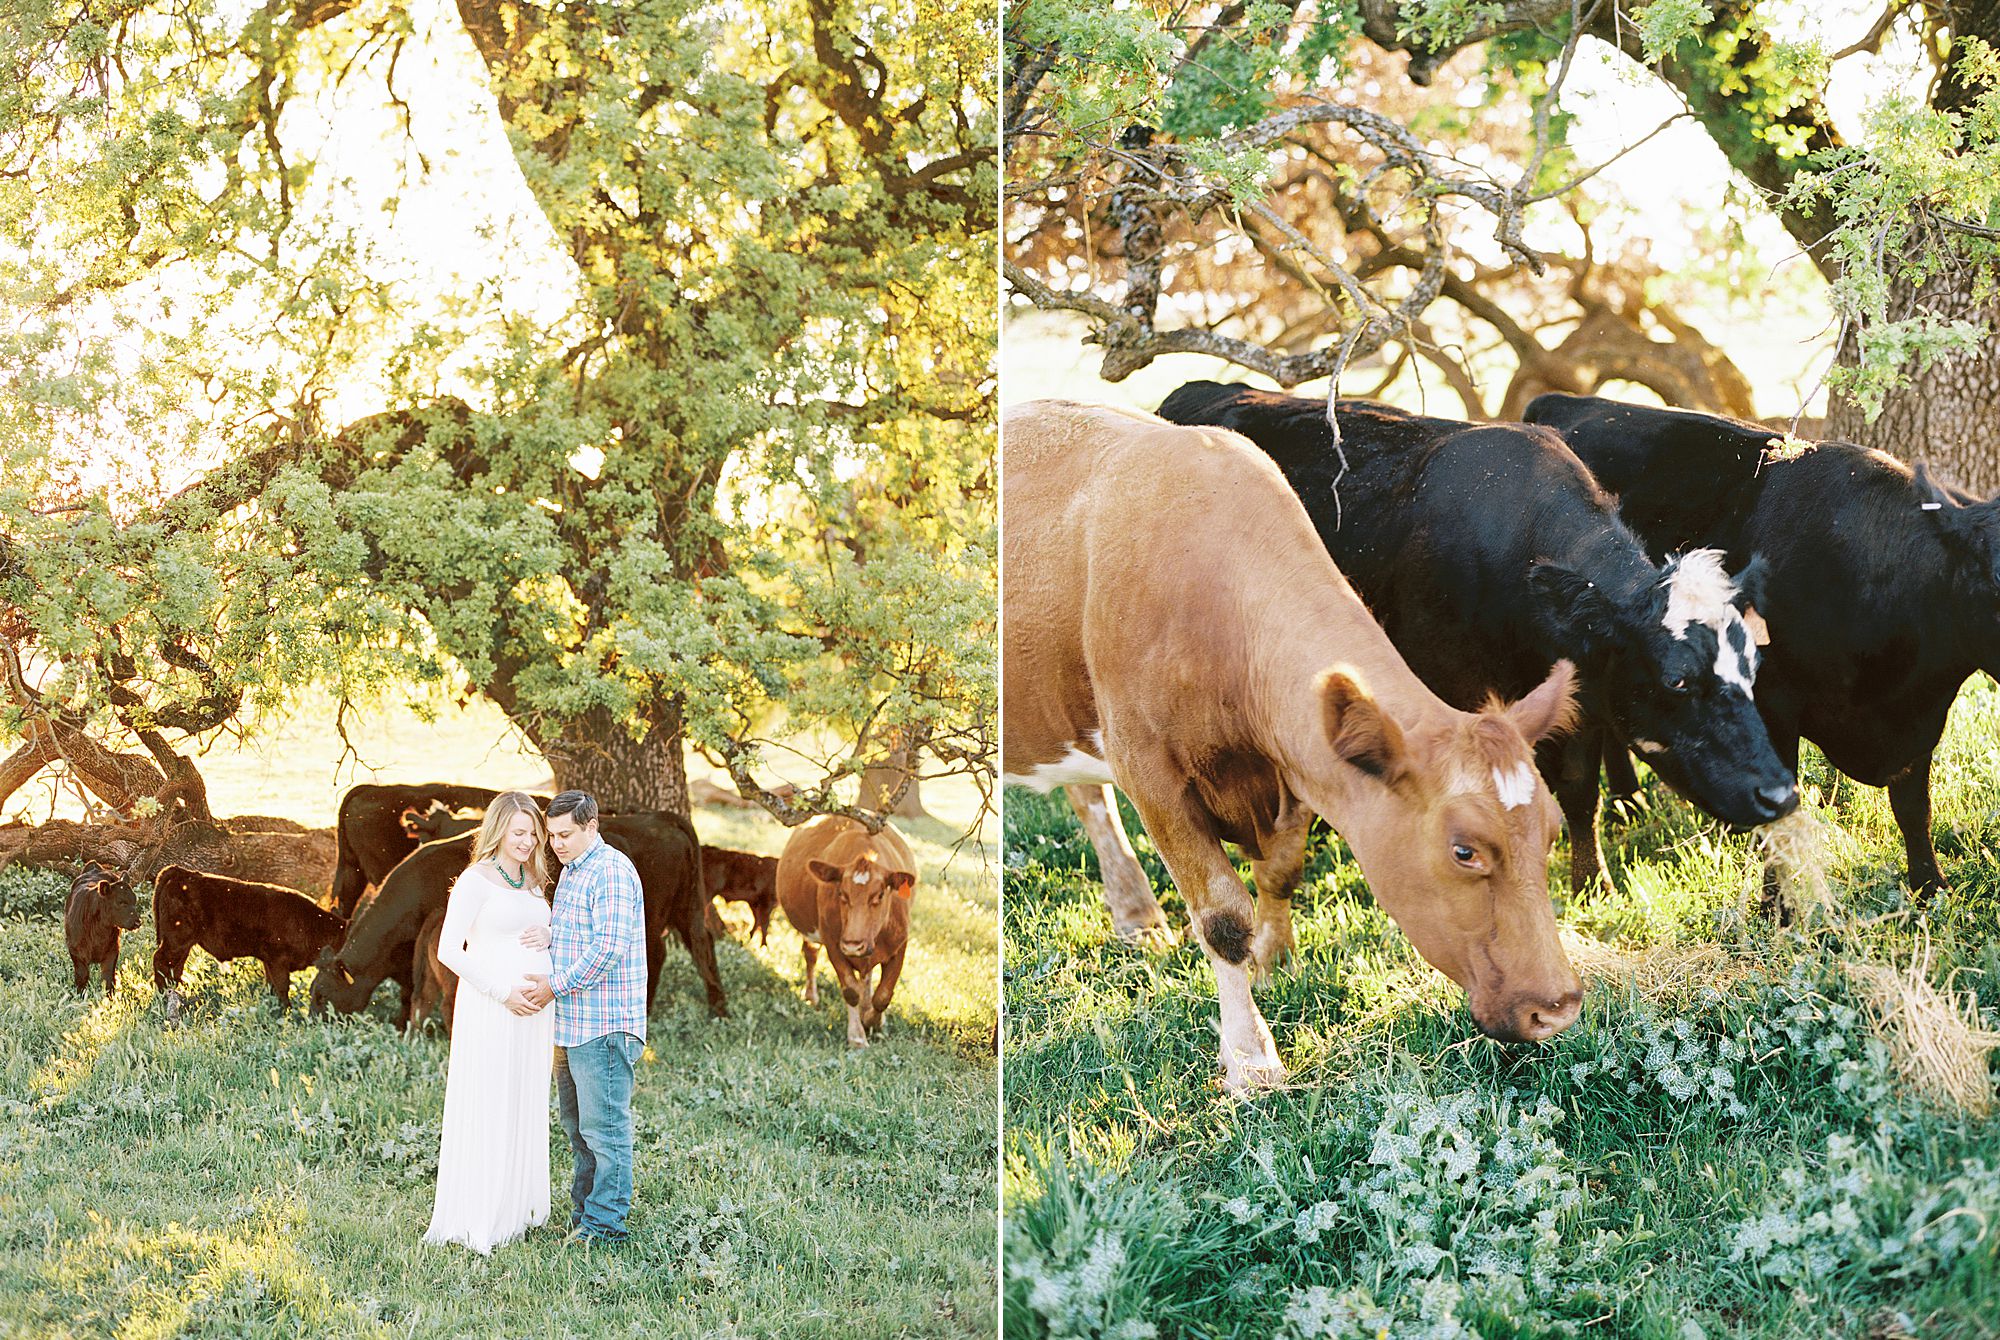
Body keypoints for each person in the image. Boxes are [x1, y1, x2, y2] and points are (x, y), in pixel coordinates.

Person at [423, 791, 557, 1254]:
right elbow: (448, 951)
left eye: (533, 832)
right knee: (492, 1101)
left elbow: (534, 932)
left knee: (526, 1099)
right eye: (519, 832)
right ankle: (482, 1212)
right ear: (497, 829)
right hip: (493, 1008)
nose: (528, 840)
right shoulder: (475, 881)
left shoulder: (534, 879)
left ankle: (520, 1208)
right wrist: (504, 992)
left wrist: (551, 929)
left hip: (535, 1012)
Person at [522, 790, 648, 1245]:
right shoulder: (575, 871)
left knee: (605, 1131)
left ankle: (605, 1227)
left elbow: (608, 948)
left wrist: (554, 985)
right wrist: (550, 933)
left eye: (566, 834)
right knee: (577, 1131)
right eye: (551, 835)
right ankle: (584, 1216)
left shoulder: (610, 871)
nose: (556, 843)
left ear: (591, 826)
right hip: (572, 1026)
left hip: (604, 1025)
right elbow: (583, 933)